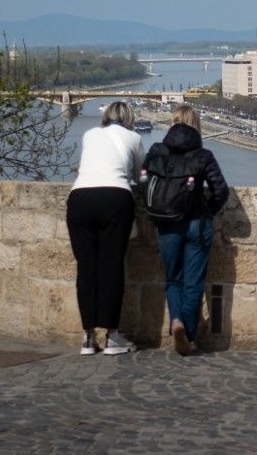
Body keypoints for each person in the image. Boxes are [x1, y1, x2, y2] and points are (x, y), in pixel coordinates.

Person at [67, 101, 145, 356]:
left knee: (86, 268)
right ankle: (112, 335)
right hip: (114, 198)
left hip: (79, 199)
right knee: (111, 266)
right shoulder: (133, 137)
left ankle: (88, 337)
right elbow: (138, 175)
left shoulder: (89, 135)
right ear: (129, 118)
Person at [150, 104, 229, 356]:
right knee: (193, 282)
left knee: (173, 279)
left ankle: (176, 322)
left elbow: (145, 184)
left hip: (167, 224)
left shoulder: (156, 151)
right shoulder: (203, 155)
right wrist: (207, 210)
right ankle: (189, 335)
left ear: (172, 122)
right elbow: (221, 190)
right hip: (197, 223)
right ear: (196, 125)